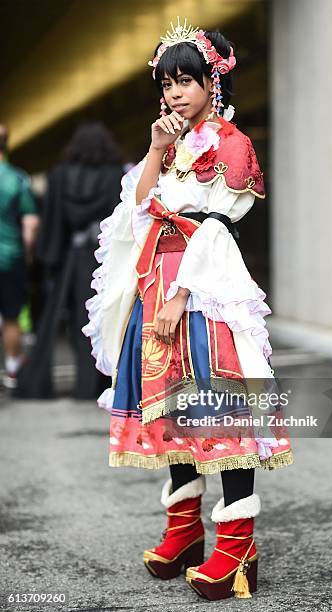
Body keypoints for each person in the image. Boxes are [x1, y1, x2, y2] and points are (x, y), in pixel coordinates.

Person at [83, 18, 294, 600]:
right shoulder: (170, 143)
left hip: (204, 292)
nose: (175, 92)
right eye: (167, 82)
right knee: (174, 413)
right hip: (158, 285)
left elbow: (218, 227)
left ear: (211, 82)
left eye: (186, 81)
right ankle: (184, 531)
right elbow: (141, 208)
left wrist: (181, 295)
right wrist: (155, 148)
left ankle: (236, 543)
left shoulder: (232, 144)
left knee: (219, 408)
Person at [15, 122, 125, 400]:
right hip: (103, 258)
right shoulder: (114, 175)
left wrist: (49, 260)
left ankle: (49, 384)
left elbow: (52, 220)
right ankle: (96, 384)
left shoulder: (59, 175)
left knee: (66, 320)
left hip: (71, 257)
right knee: (101, 320)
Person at [0, 124, 39, 389]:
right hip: (9, 257)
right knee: (12, 315)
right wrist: (27, 253)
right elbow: (31, 223)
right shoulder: (17, 178)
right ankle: (12, 367)